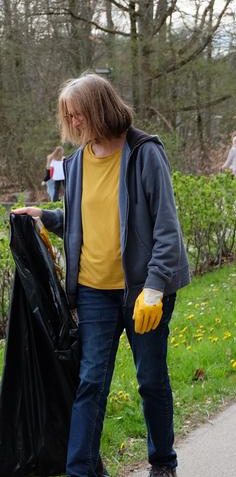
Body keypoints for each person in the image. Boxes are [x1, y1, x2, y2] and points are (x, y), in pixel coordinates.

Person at [13, 74, 190, 477]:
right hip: (94, 291)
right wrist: (46, 217)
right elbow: (82, 220)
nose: (74, 124)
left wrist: (156, 287)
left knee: (151, 381)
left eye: (79, 115)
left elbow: (166, 229)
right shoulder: (75, 163)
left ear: (100, 109)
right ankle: (81, 471)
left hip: (143, 291)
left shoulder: (144, 153)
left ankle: (163, 462)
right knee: (91, 381)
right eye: (69, 117)